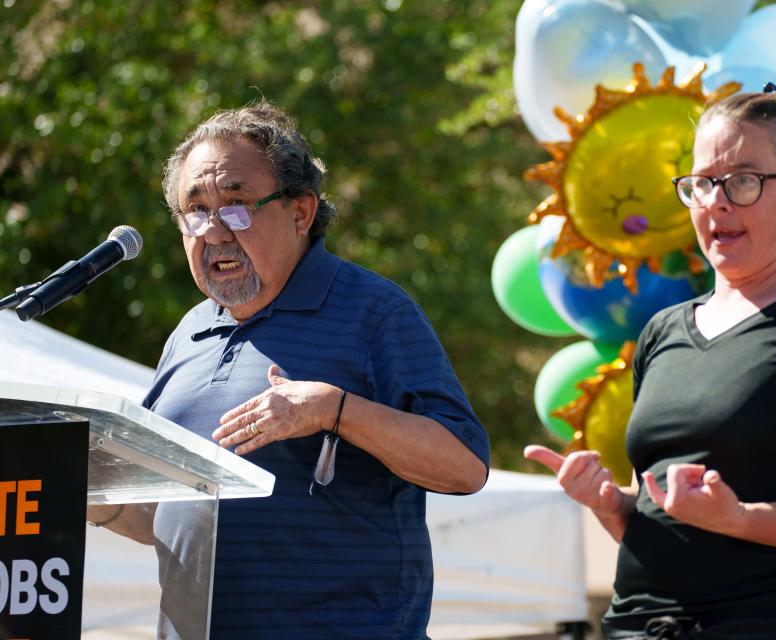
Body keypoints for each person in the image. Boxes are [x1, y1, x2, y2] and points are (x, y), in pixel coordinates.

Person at [525, 87, 776, 639]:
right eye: (702, 183)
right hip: (635, 627)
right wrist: (613, 504)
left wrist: (741, 519)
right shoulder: (661, 331)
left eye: (744, 181)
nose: (716, 201)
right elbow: (672, 517)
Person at [89, 100, 490, 639]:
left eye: (236, 205)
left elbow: (464, 467)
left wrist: (334, 410)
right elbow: (169, 518)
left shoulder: (373, 312)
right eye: (196, 210)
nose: (212, 232)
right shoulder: (188, 334)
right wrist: (85, 492)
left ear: (300, 212)